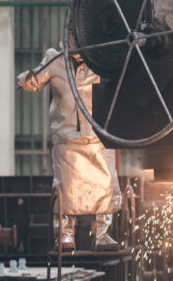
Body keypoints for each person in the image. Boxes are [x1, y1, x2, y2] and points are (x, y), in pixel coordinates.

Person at [17, 48, 122, 251]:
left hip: (97, 136)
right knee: (66, 188)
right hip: (67, 137)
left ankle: (102, 234)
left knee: (104, 186)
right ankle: (65, 234)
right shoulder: (55, 59)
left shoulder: (101, 58)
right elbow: (34, 82)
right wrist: (27, 79)